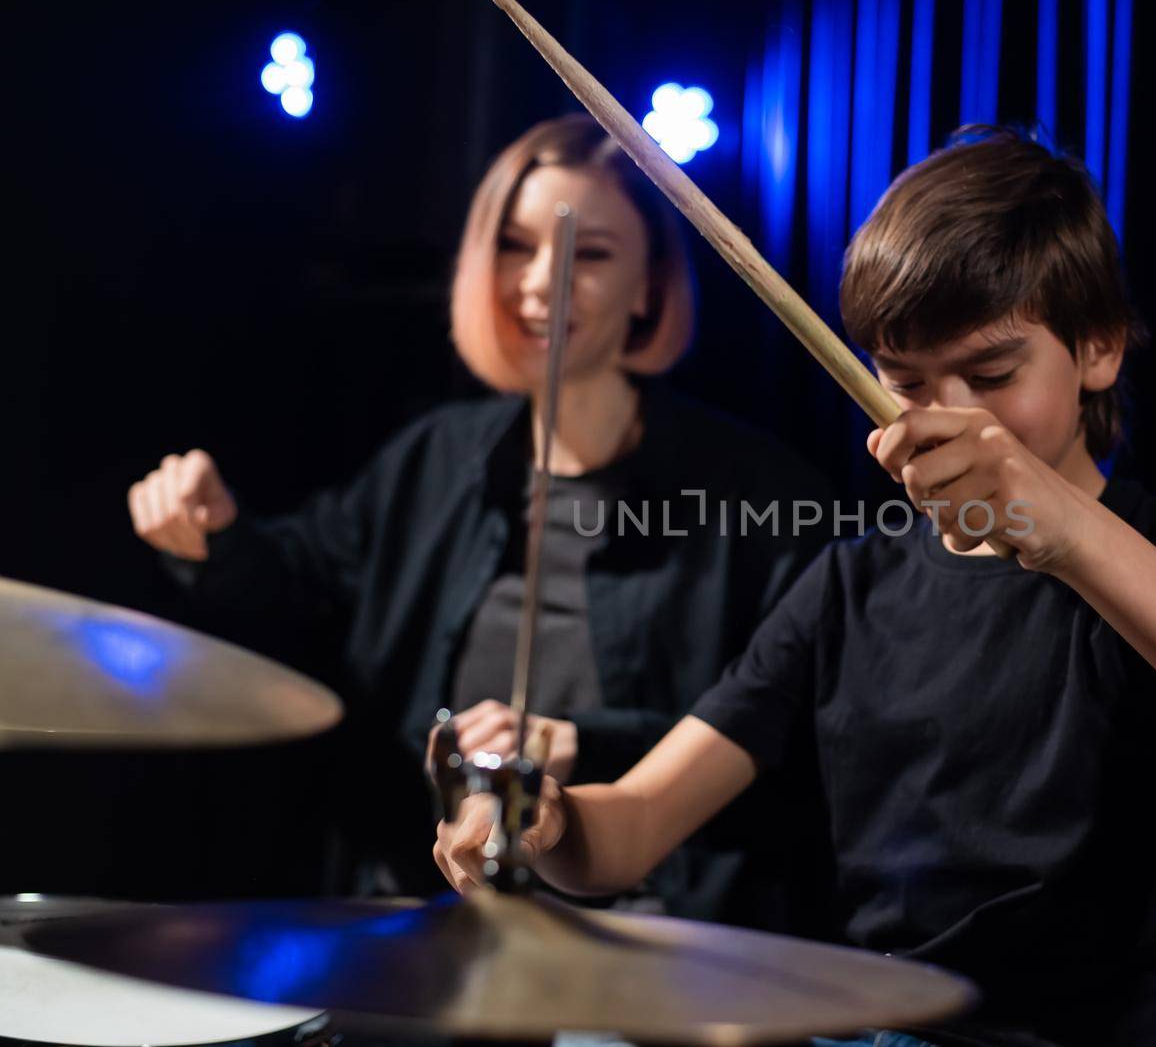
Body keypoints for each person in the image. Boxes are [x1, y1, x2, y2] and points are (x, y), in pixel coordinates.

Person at [434, 128, 1156, 1046]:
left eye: (990, 373)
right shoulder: (853, 580)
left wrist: (1067, 535)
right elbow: (632, 830)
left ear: (1098, 348)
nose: (945, 421)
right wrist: (546, 819)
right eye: (904, 380)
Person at [127, 113, 834, 922]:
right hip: (425, 924)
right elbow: (290, 580)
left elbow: (793, 737)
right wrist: (213, 533)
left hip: (657, 945)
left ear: (651, 286)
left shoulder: (756, 493)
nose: (540, 282)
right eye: (513, 246)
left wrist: (586, 743)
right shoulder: (436, 459)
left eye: (588, 254)